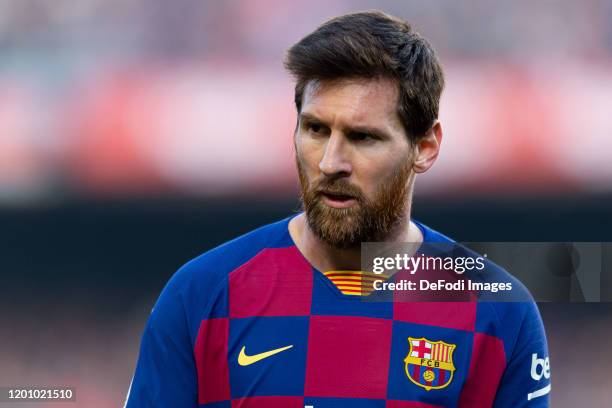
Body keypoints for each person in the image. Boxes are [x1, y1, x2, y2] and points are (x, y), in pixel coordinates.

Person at [125, 11, 550, 407]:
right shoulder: (201, 296)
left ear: (425, 147)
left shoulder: (497, 310)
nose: (330, 162)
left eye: (363, 137)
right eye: (315, 129)